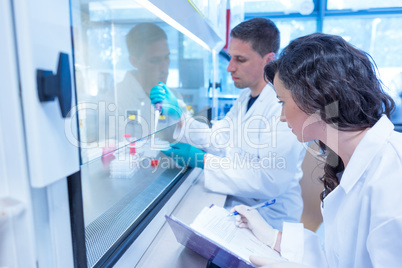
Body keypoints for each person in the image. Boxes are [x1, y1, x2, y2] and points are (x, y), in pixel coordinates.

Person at [233, 32, 402, 267]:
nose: (281, 117)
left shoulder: (393, 179)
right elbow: (338, 256)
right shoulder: (346, 159)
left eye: (283, 102)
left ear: (316, 98)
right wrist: (274, 238)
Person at [151, 18, 306, 231]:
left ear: (269, 60)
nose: (230, 68)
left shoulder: (282, 106)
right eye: (230, 57)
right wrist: (179, 116)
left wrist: (204, 160)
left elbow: (270, 179)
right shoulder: (245, 98)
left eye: (240, 59)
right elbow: (217, 139)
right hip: (240, 205)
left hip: (270, 221)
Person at [112, 23, 186, 141]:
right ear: (134, 61)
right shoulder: (115, 99)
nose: (164, 68)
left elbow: (190, 139)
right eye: (155, 60)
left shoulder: (175, 97)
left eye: (166, 58)